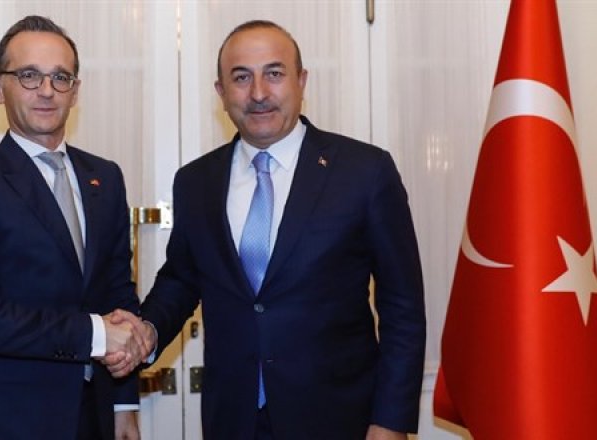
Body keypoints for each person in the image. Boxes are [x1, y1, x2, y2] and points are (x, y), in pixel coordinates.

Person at [135, 20, 426, 439]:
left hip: (339, 419)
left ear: (301, 81)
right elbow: (181, 279)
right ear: (221, 91)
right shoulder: (196, 181)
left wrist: (391, 421)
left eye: (274, 73)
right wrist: (146, 331)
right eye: (241, 78)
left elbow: (403, 307)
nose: (258, 93)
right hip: (232, 420)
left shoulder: (365, 171)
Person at [0, 15, 146, 440]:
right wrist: (96, 334)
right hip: (8, 422)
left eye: (60, 77)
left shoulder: (105, 178)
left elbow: (118, 295)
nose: (47, 90)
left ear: (75, 91)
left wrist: (124, 404)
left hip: (96, 419)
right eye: (29, 75)